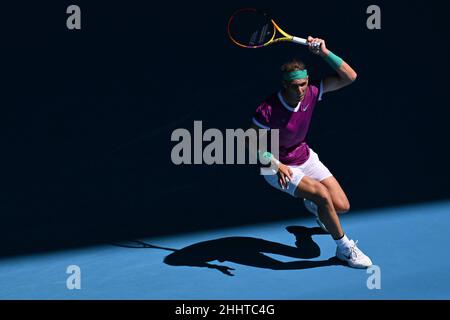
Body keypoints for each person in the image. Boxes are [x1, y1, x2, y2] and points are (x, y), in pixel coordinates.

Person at [250, 36, 372, 268]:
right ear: (285, 85)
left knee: (342, 206)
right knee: (322, 194)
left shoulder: (314, 91)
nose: (301, 90)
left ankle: (314, 208)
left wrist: (325, 53)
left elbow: (350, 77)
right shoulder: (268, 109)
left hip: (304, 156)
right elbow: (250, 143)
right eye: (295, 86)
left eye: (303, 84)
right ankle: (344, 250)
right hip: (277, 167)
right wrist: (276, 165)